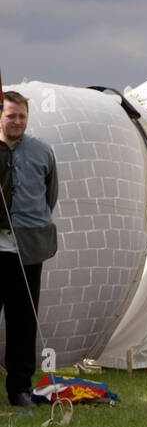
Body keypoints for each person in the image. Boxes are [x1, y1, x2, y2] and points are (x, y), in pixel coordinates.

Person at [0, 91, 59, 408]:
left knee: (23, 323)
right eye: (11, 115)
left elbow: (50, 197)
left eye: (22, 116)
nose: (17, 121)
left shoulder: (42, 152)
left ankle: (20, 389)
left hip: (27, 251)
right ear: (1, 115)